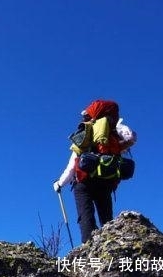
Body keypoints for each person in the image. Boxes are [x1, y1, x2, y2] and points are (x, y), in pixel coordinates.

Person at [52, 100, 136, 244]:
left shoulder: (86, 133)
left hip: (83, 182)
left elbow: (73, 165)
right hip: (106, 181)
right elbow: (132, 137)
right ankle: (111, 245)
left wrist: (60, 183)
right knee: (106, 218)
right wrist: (116, 127)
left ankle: (88, 250)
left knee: (86, 217)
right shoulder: (112, 136)